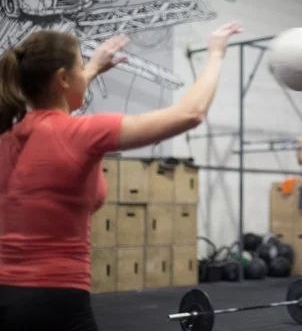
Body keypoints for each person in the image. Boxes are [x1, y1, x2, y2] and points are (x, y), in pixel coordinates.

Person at [0, 21, 243, 331]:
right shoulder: (82, 133)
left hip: (6, 297)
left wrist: (91, 70)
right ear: (62, 78)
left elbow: (54, 115)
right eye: (79, 66)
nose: (83, 73)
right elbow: (190, 113)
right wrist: (216, 54)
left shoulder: (9, 134)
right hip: (56, 302)